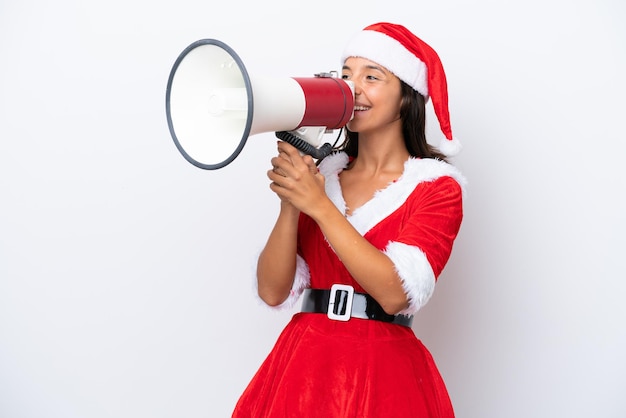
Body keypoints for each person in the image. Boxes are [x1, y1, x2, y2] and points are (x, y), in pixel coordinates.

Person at [232, 22, 466, 418]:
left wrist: (319, 205)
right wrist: (293, 202)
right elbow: (273, 292)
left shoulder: (437, 189)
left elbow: (395, 294)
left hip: (384, 372)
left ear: (407, 99)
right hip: (303, 367)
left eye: (371, 77)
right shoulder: (325, 176)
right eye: (345, 75)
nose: (352, 88)